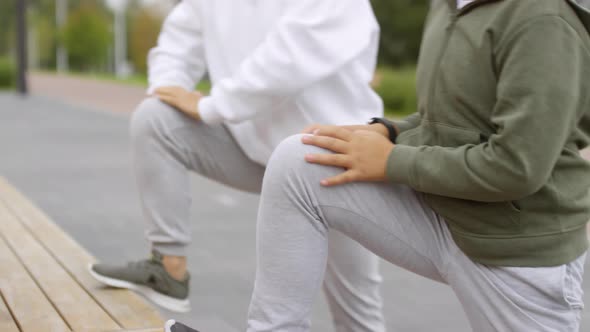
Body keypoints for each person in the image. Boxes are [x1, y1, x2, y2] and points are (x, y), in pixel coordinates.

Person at [164, 0, 590, 331]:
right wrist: (388, 131)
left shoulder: (544, 20)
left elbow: (517, 167)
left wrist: (392, 160)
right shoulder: (451, 6)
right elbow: (449, 120)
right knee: (302, 161)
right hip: (447, 216)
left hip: (519, 253)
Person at [89, 0, 388, 330]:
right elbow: (178, 40)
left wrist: (211, 106)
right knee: (156, 118)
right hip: (252, 148)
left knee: (355, 307)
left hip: (334, 160)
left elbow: (287, 61)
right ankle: (167, 266)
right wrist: (169, 86)